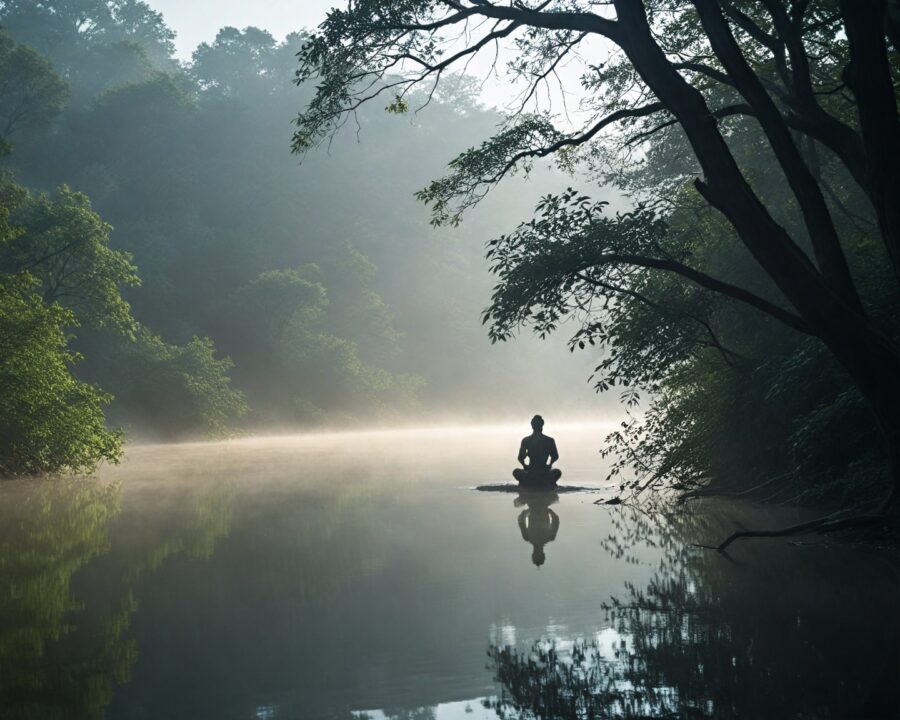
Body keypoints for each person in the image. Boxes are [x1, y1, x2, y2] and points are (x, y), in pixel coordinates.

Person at [513, 415, 561, 485]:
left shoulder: (526, 440)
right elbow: (555, 456)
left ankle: (528, 482)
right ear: (542, 425)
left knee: (516, 471)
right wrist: (550, 465)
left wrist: (525, 466)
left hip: (531, 473)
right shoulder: (549, 440)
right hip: (544, 473)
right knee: (557, 472)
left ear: (532, 426)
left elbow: (520, 457)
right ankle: (545, 482)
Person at [516, 491, 560, 567]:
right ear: (542, 554)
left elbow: (521, 521)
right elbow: (556, 521)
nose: (537, 552)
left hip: (535, 505)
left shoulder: (528, 537)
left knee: (518, 502)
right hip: (541, 505)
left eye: (536, 555)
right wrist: (550, 512)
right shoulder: (549, 537)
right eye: (539, 554)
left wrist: (526, 512)